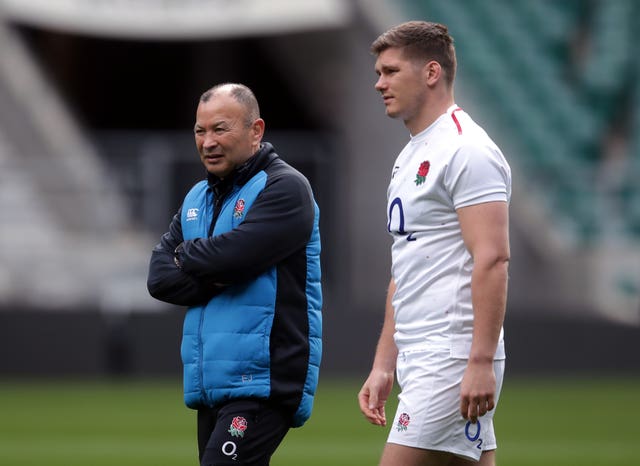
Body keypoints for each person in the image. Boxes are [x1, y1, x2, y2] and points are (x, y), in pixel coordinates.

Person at [357, 21, 511, 466]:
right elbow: (406, 266)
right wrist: (385, 363)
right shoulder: (410, 154)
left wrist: (479, 360)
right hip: (425, 352)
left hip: (451, 355)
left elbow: (493, 257)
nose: (378, 83)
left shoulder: (467, 150)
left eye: (389, 71)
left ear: (430, 73)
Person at [147, 82, 322, 466]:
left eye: (220, 129)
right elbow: (159, 278)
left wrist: (190, 255)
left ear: (255, 131)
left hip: (263, 380)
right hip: (212, 382)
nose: (208, 141)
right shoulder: (197, 196)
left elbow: (234, 257)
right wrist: (217, 265)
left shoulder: (286, 187)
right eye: (200, 130)